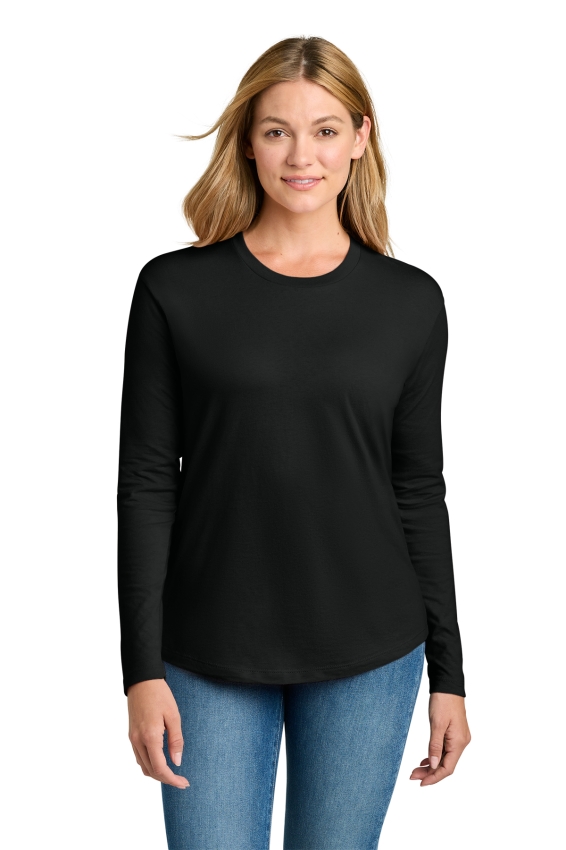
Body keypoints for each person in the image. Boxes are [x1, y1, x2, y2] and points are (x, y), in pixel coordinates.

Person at [117, 35, 472, 850]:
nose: (301, 155)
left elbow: (419, 490)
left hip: (370, 653)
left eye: (324, 130)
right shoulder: (175, 289)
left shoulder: (411, 302)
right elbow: (146, 483)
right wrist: (141, 669)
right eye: (277, 130)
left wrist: (449, 676)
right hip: (206, 648)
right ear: (248, 141)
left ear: (360, 138)